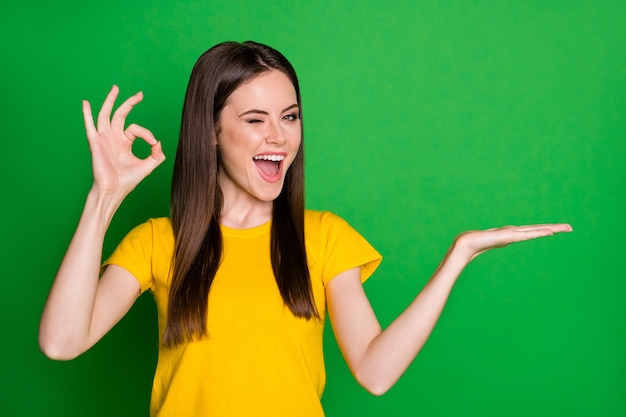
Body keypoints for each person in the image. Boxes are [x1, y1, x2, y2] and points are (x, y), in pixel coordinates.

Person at [39, 41, 572, 416]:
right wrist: (104, 198)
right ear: (210, 133)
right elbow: (61, 342)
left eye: (290, 116)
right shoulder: (159, 241)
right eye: (255, 120)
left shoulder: (324, 238)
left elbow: (375, 372)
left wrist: (458, 257)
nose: (279, 137)